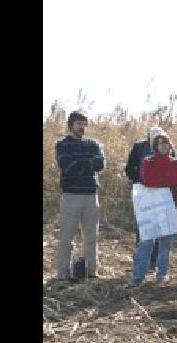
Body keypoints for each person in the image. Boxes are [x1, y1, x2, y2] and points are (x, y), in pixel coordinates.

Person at [54, 111, 106, 281]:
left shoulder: (93, 144)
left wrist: (78, 162)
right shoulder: (62, 144)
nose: (82, 127)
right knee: (66, 237)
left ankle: (91, 272)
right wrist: (87, 163)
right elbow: (65, 165)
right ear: (71, 125)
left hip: (91, 195)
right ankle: (63, 274)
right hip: (71, 195)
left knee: (91, 237)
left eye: (84, 124)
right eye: (79, 124)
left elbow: (100, 164)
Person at [131, 132, 177, 286]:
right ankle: (138, 276)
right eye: (160, 143)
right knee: (146, 242)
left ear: (170, 145)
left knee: (165, 244)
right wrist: (166, 181)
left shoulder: (175, 162)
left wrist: (161, 179)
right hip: (151, 208)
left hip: (170, 208)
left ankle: (162, 274)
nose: (164, 146)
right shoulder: (148, 161)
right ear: (155, 145)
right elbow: (147, 180)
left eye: (166, 143)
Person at [125, 126, 173, 272]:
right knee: (144, 229)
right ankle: (140, 263)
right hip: (144, 193)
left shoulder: (169, 148)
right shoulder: (140, 147)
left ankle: (155, 262)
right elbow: (130, 168)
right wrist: (137, 182)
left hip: (163, 195)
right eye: (155, 137)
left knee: (162, 230)